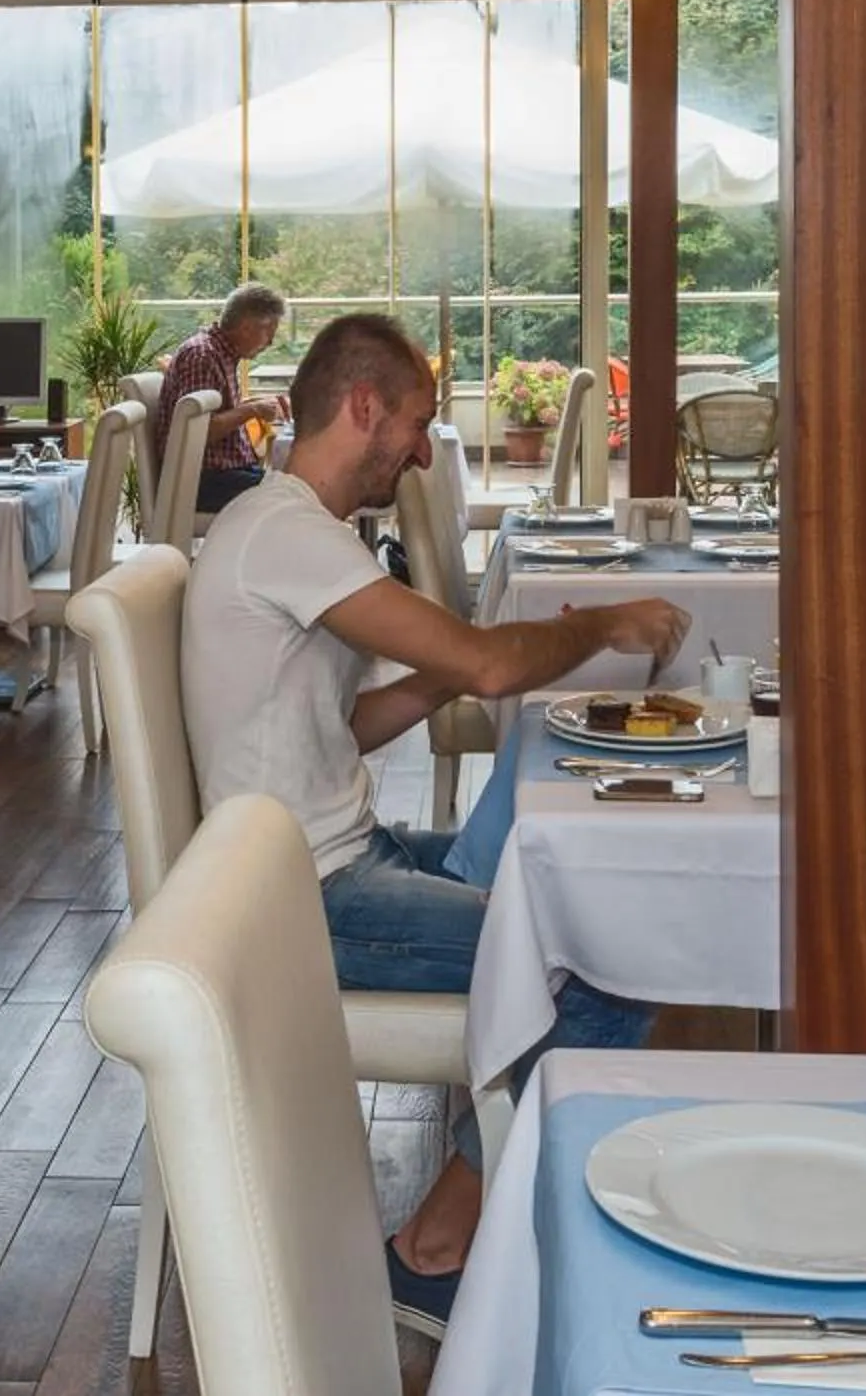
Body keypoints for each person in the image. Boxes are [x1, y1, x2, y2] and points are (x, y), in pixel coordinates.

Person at [179, 311, 687, 1338]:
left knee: (552, 895)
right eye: (412, 421)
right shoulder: (283, 533)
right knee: (603, 959)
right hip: (301, 901)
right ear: (361, 406)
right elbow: (494, 668)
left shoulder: (295, 533)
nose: (419, 448)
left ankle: (506, 1183)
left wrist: (439, 671)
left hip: (325, 862)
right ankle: (434, 1250)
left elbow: (348, 724)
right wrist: (592, 625)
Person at [156, 282, 291, 513]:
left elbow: (217, 415)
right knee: (291, 495)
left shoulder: (220, 353)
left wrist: (255, 404)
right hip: (200, 482)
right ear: (247, 327)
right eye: (269, 332)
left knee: (293, 486)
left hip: (220, 475)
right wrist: (252, 410)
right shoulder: (203, 356)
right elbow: (197, 432)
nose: (270, 342)